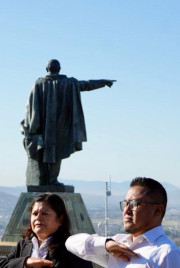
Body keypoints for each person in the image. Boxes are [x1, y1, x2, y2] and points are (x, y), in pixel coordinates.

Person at [21, 59, 114, 188]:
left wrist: (28, 125)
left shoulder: (38, 83)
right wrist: (102, 82)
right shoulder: (68, 83)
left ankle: (44, 180)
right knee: (56, 152)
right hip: (61, 125)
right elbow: (86, 85)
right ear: (59, 69)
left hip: (43, 126)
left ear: (46, 69)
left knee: (43, 150)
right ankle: (51, 180)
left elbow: (29, 108)